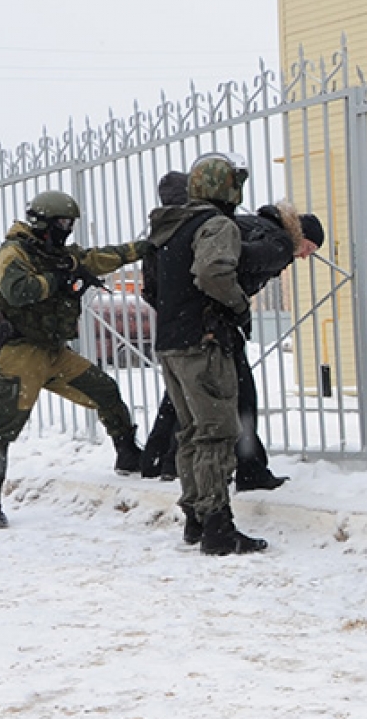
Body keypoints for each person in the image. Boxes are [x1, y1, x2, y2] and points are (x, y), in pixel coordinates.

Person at [0, 190, 149, 529]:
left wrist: (142, 249)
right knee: (2, 430)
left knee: (105, 391)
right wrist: (60, 280)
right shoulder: (13, 254)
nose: (67, 229)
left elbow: (98, 258)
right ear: (43, 222)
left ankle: (128, 453)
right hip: (18, 355)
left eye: (70, 223)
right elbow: (17, 291)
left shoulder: (58, 255)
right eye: (62, 223)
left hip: (54, 352)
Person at [138, 171, 324, 490]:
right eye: (310, 246)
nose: (307, 255)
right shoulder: (278, 243)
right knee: (238, 398)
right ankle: (247, 473)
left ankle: (160, 459)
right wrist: (236, 306)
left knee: (185, 395)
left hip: (180, 321)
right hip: (211, 324)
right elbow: (224, 262)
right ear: (300, 234)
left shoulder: (190, 227)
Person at [147, 152, 269, 556]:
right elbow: (213, 272)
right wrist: (237, 305)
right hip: (204, 341)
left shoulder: (169, 227)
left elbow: (153, 286)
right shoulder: (216, 225)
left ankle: (196, 518)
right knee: (217, 430)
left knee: (190, 432)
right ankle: (219, 527)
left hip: (170, 342)